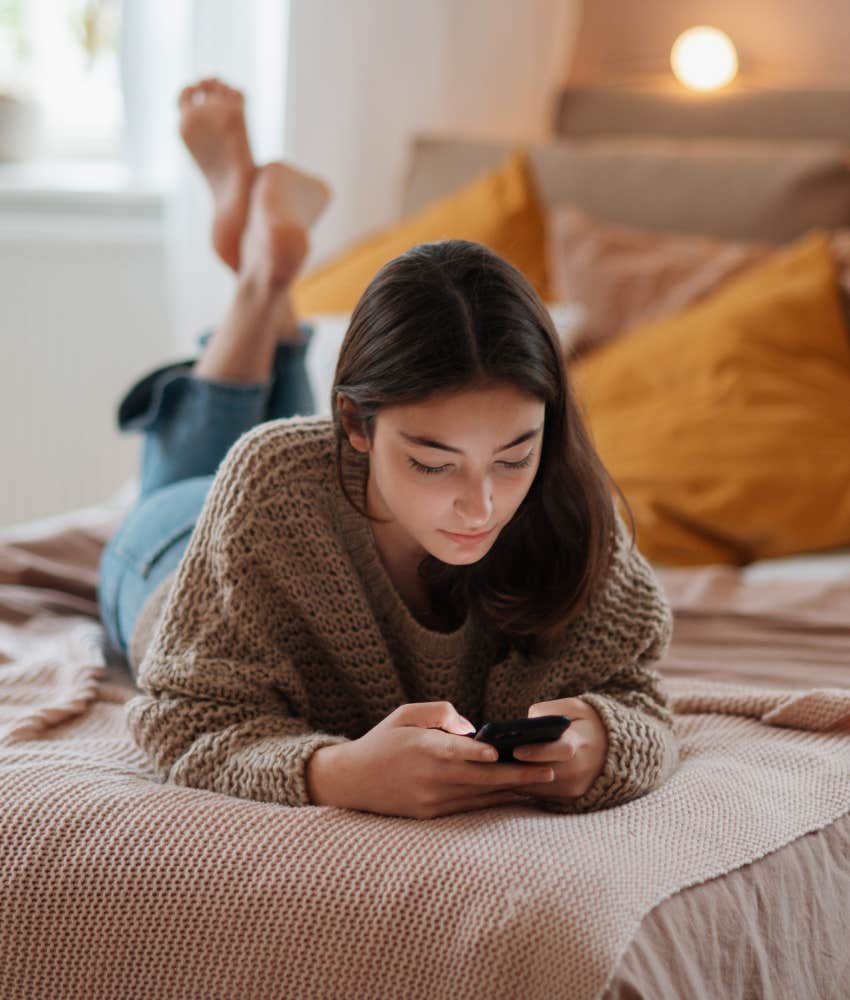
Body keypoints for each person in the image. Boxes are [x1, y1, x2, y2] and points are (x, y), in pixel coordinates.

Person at [98, 78, 679, 822]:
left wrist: (601, 742)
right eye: (434, 463)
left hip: (309, 485)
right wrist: (336, 774)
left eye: (513, 455)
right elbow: (181, 717)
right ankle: (258, 279)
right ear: (358, 424)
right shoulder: (270, 483)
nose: (484, 504)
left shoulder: (567, 497)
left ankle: (266, 260)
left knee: (278, 458)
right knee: (187, 475)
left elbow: (642, 699)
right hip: (169, 558)